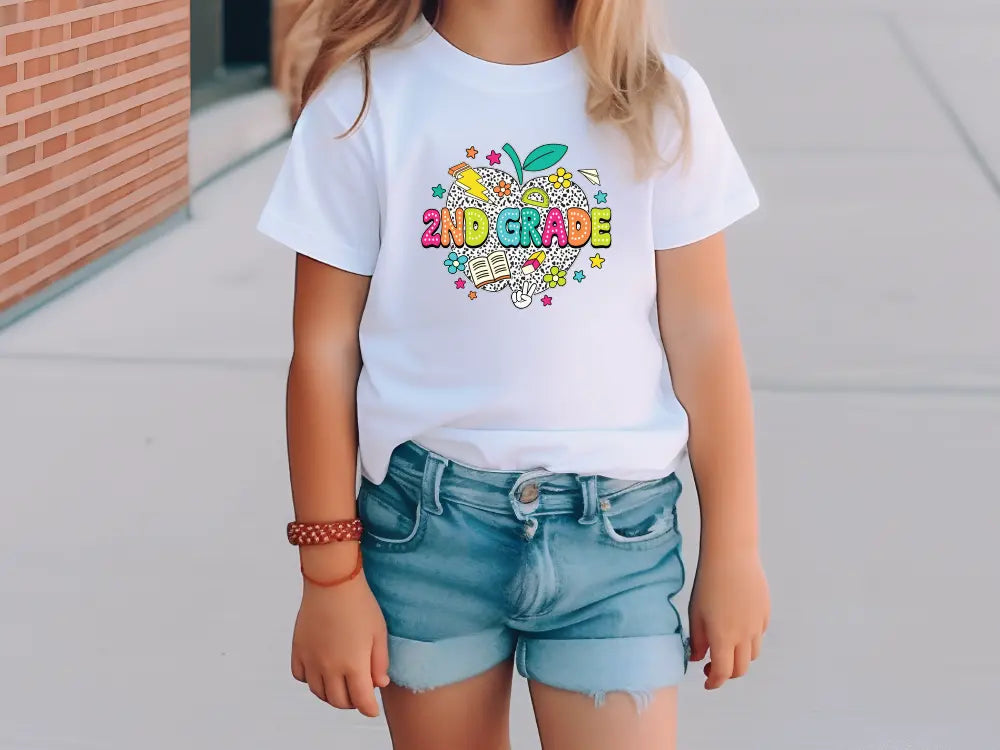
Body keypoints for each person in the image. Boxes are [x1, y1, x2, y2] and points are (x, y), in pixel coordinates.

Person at [258, 1, 770, 747]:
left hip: (616, 543)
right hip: (426, 534)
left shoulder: (658, 98)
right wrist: (328, 576)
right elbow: (323, 352)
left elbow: (705, 337)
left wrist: (734, 550)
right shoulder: (363, 100)